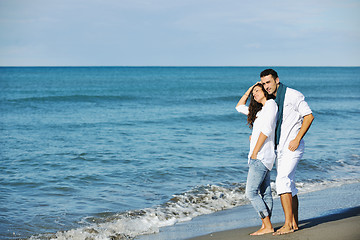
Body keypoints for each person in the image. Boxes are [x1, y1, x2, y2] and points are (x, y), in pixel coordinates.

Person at [259, 69, 314, 235]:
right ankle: (294, 223)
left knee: (282, 181)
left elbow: (309, 116)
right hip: (280, 149)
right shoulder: (272, 100)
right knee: (290, 184)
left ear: (277, 80)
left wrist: (297, 139)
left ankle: (288, 224)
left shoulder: (293, 95)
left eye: (268, 82)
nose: (266, 86)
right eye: (263, 83)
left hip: (293, 147)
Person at [236, 83, 278, 235]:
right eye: (253, 92)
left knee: (251, 192)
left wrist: (255, 151)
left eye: (257, 91)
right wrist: (249, 89)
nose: (254, 94)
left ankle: (267, 225)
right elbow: (239, 106)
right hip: (263, 156)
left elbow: (266, 130)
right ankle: (266, 225)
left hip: (260, 156)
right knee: (265, 193)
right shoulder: (259, 111)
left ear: (266, 92)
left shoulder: (271, 105)